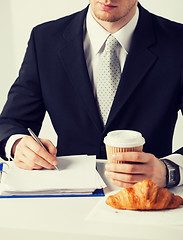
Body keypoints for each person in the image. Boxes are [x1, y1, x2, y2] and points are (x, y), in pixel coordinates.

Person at [0, 0, 183, 189]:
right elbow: (10, 123)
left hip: (149, 199)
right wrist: (18, 144)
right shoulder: (45, 39)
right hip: (66, 198)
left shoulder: (178, 42)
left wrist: (169, 170)